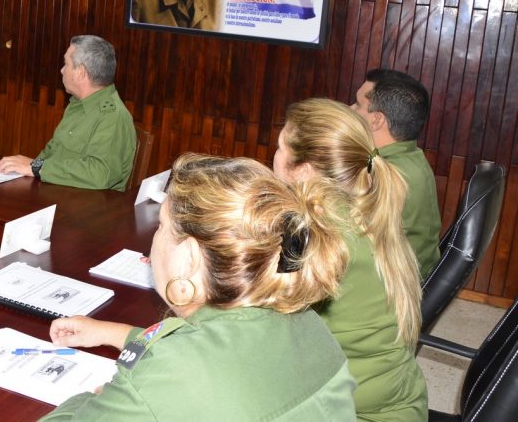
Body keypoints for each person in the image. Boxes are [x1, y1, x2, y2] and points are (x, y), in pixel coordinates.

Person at [41, 153, 356, 420]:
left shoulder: (172, 376)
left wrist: (92, 400)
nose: (155, 237)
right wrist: (109, 333)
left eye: (162, 226)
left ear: (189, 257)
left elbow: (179, 370)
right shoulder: (307, 324)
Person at [275, 98, 426, 421]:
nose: (271, 157)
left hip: (351, 410)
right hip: (398, 400)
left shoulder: (310, 231)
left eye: (279, 149)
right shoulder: (368, 208)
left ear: (303, 170)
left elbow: (259, 316)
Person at [0, 35, 135, 191]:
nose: (62, 70)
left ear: (81, 72)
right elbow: (51, 152)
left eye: (66, 63)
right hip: (57, 194)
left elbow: (100, 174)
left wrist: (37, 167)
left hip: (88, 209)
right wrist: (26, 168)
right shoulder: (77, 105)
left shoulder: (112, 116)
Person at [351, 69, 441, 279]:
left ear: (376, 120)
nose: (350, 109)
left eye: (357, 104)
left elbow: (344, 238)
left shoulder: (384, 176)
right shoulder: (413, 157)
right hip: (408, 276)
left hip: (389, 289)